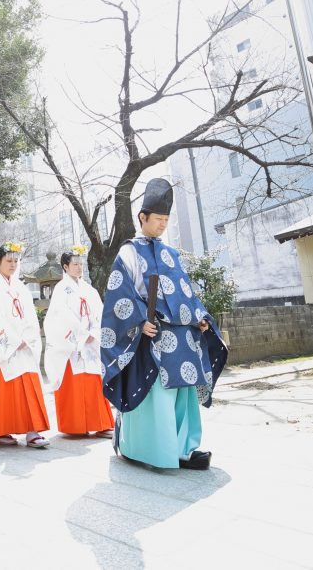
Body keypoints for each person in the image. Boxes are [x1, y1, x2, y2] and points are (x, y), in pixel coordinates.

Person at [101, 178, 228, 470]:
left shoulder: (172, 254)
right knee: (155, 395)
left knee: (184, 393)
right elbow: (119, 293)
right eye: (158, 219)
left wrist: (200, 318)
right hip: (152, 336)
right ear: (142, 217)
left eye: (166, 220)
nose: (162, 224)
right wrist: (137, 321)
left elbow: (187, 293)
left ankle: (184, 448)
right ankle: (146, 448)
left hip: (183, 338)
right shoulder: (129, 252)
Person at [0, 242, 51, 448]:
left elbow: (30, 314)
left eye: (16, 261)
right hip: (1, 345)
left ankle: (33, 430)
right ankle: (0, 430)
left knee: (29, 385)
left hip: (24, 343)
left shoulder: (19, 285)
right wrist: (13, 339)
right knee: (5, 387)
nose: (13, 265)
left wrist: (29, 336)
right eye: (9, 261)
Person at [43, 247, 114, 437]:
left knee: (93, 383)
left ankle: (100, 424)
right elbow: (61, 316)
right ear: (65, 267)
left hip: (90, 342)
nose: (79, 267)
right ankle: (75, 426)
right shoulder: (60, 289)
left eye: (81, 264)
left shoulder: (88, 289)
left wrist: (93, 332)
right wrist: (82, 334)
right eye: (75, 264)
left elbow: (100, 312)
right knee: (74, 384)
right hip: (71, 344)